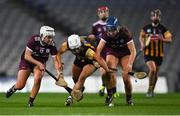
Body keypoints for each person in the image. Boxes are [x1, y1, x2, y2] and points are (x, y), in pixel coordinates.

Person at [5, 26, 64, 107]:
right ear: (42, 36)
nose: (51, 39)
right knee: (20, 86)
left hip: (40, 63)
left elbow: (56, 61)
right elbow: (27, 56)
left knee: (38, 78)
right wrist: (39, 63)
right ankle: (13, 88)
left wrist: (59, 74)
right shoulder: (33, 40)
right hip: (27, 62)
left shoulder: (52, 45)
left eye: (52, 37)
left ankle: (30, 102)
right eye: (49, 37)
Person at [56, 34, 114, 106]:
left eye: (77, 48)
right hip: (80, 58)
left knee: (82, 76)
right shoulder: (67, 45)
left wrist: (107, 70)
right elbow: (58, 53)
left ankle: (71, 97)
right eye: (73, 50)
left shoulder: (88, 49)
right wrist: (59, 63)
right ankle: (80, 88)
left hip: (93, 60)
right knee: (75, 78)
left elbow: (99, 58)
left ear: (80, 44)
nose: (76, 51)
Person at [96, 16, 137, 106]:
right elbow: (98, 50)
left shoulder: (125, 33)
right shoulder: (106, 34)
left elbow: (133, 51)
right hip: (112, 52)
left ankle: (129, 98)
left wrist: (130, 65)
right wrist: (98, 61)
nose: (110, 32)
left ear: (117, 27)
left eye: (112, 29)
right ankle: (110, 95)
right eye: (108, 30)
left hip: (125, 53)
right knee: (108, 73)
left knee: (126, 77)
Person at [139, 9, 172, 97]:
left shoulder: (163, 29)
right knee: (152, 69)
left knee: (156, 73)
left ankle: (151, 90)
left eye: (157, 16)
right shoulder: (146, 28)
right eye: (154, 15)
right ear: (151, 17)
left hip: (159, 54)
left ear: (160, 18)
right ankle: (150, 88)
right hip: (148, 54)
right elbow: (141, 37)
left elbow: (169, 39)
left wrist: (161, 38)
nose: (155, 17)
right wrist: (142, 44)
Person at [88, 6, 112, 97]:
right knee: (103, 72)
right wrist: (92, 38)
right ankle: (103, 85)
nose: (103, 13)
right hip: (101, 51)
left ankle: (111, 90)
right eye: (101, 12)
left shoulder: (112, 23)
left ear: (108, 12)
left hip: (111, 50)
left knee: (109, 72)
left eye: (105, 12)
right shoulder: (95, 25)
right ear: (98, 14)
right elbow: (93, 38)